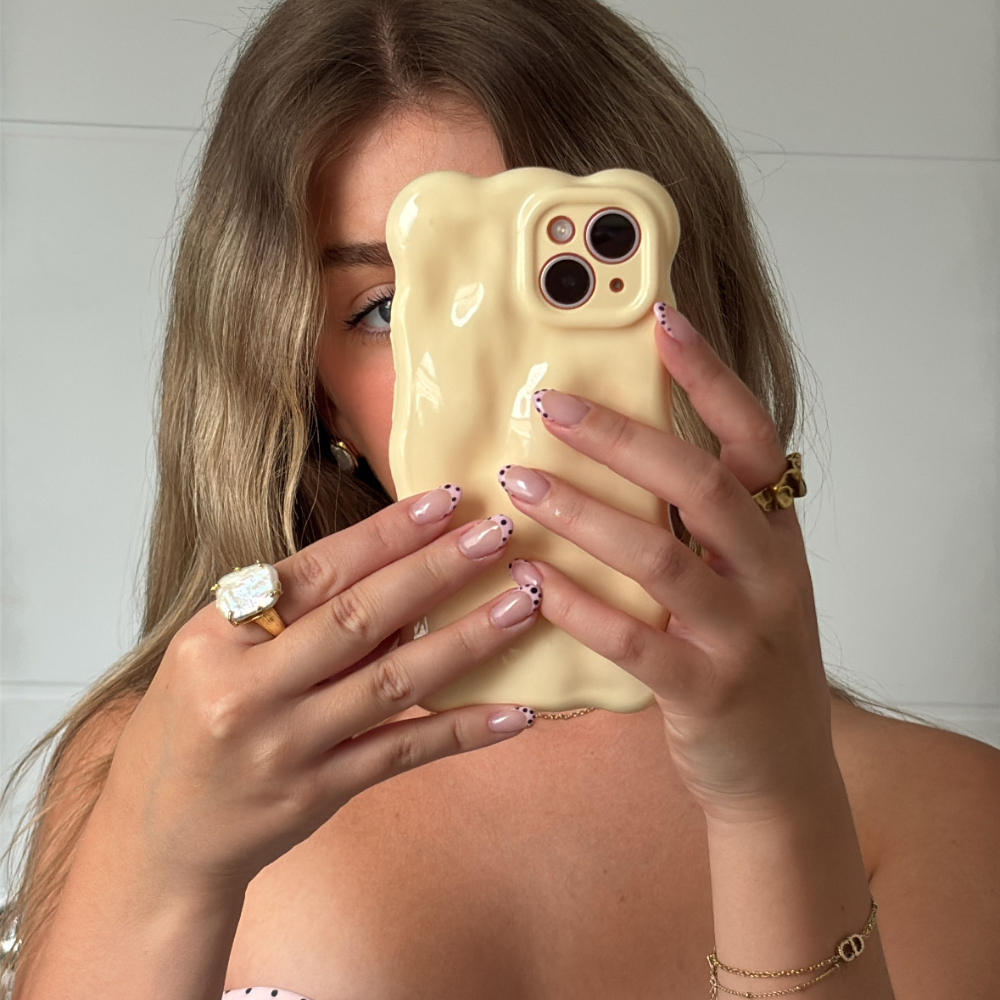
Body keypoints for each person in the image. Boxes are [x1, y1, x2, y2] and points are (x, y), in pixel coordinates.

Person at [2, 0, 998, 997]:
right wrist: (163, 869)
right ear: (313, 392)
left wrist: (776, 806)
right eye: (387, 308)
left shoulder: (947, 809)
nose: (485, 377)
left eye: (555, 291)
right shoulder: (165, 765)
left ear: (689, 299)